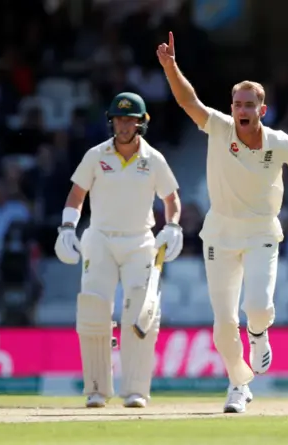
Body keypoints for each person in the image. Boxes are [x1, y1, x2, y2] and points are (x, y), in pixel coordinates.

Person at [157, 32, 288, 413]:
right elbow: (188, 101)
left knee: (258, 305)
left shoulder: (276, 142)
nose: (241, 109)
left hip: (260, 231)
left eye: (249, 104)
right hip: (219, 232)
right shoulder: (218, 128)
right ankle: (238, 385)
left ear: (262, 110)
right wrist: (171, 67)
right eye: (237, 103)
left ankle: (258, 334)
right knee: (222, 327)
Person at [54, 92, 183, 409]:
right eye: (119, 119)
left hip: (139, 240)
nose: (124, 126)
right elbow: (76, 194)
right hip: (99, 238)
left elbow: (172, 200)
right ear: (111, 121)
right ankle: (97, 388)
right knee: (93, 310)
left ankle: (136, 390)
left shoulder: (154, 159)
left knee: (141, 312)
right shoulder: (96, 155)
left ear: (141, 124)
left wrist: (174, 225)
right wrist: (68, 227)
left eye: (130, 120)